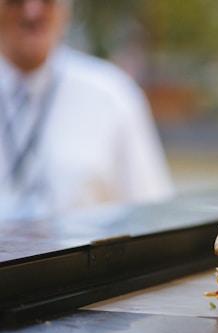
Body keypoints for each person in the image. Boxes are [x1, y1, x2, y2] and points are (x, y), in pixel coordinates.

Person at [0, 0, 174, 222]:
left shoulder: (114, 95)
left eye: (48, 1)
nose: (32, 11)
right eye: (15, 1)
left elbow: (153, 216)